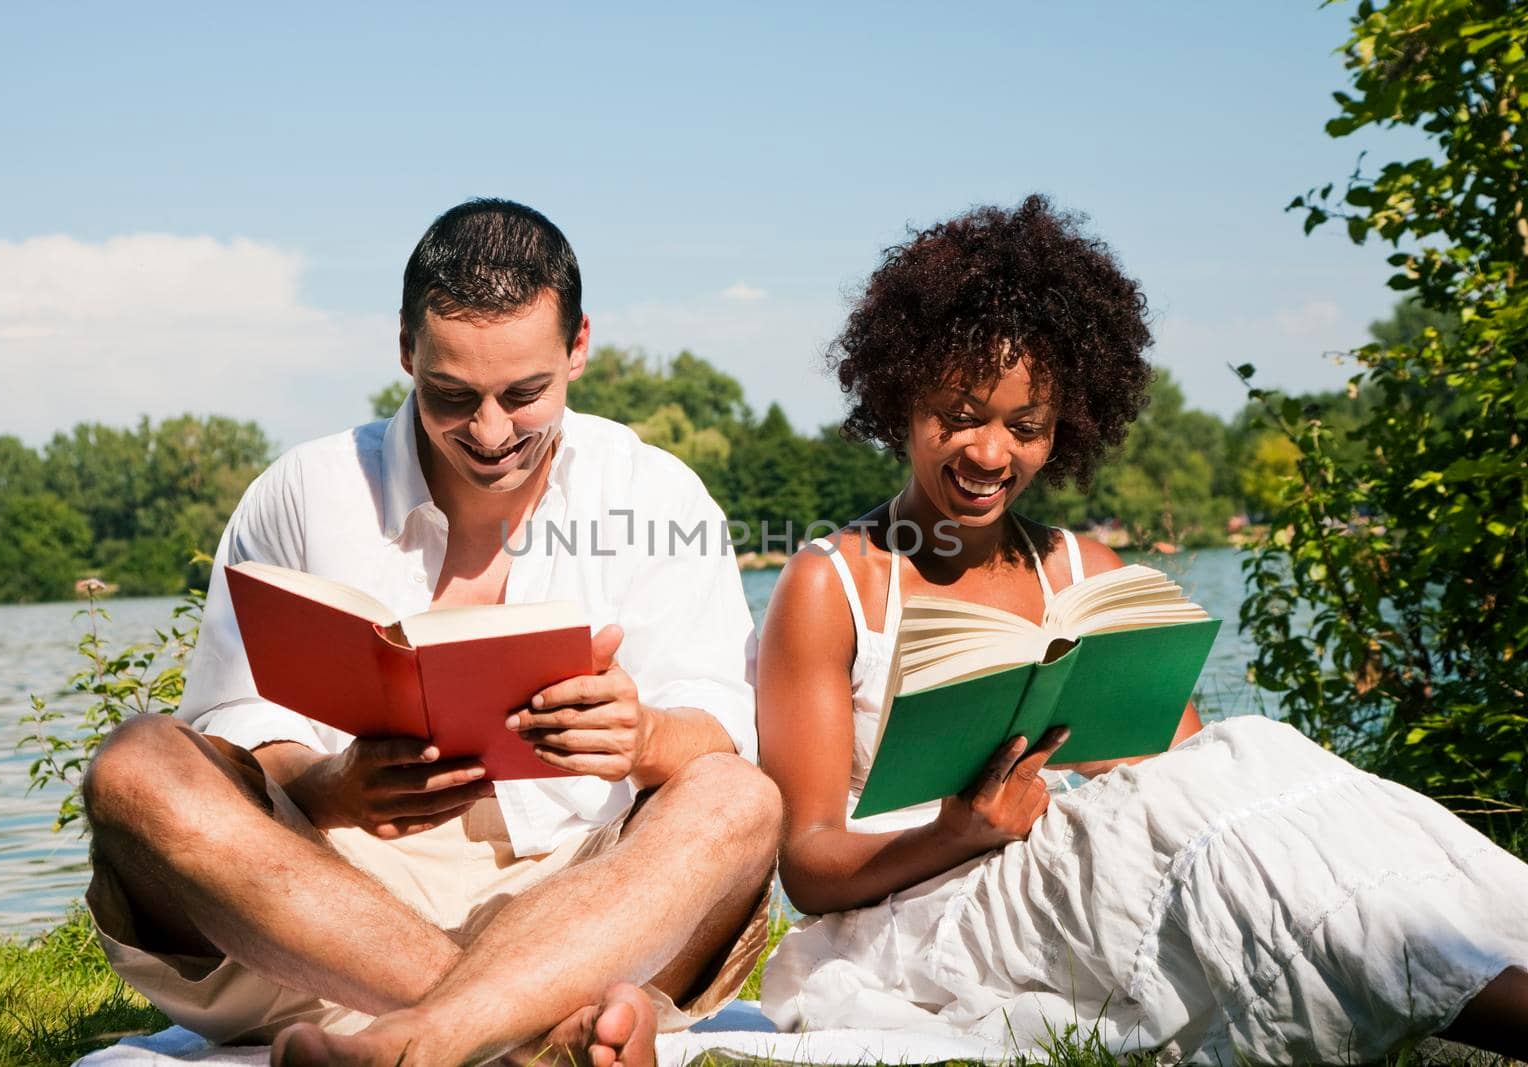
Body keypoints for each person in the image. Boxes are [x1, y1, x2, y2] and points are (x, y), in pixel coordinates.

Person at [755, 196, 1528, 1062]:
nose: (988, 453)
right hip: (925, 912)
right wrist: (959, 831)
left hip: (1071, 884)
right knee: (1234, 801)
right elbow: (809, 866)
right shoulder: (832, 583)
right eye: (961, 412)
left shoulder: (1089, 571)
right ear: (900, 395)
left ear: (1066, 429)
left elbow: (1207, 786)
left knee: (1255, 754)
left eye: (1026, 426)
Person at [81, 198, 780, 1067]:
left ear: (580, 346)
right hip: (320, 905)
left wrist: (642, 736)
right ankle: (532, 1035)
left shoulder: (659, 494)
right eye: (451, 395)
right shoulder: (306, 489)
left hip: (586, 899)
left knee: (740, 799)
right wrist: (333, 785)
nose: (490, 434)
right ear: (407, 351)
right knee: (136, 764)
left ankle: (419, 1041)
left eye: (525, 395)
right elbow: (231, 720)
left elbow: (720, 727)